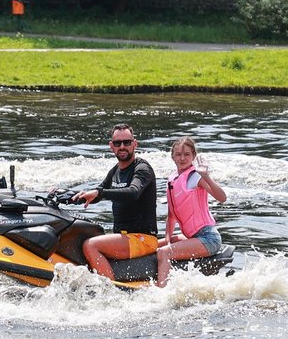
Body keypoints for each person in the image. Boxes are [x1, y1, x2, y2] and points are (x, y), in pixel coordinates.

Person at [71, 123, 158, 281]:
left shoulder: (142, 168)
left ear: (135, 144)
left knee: (90, 245)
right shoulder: (115, 171)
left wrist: (100, 193)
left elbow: (133, 192)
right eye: (117, 143)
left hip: (142, 238)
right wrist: (68, 196)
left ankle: (109, 289)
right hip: (123, 236)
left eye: (127, 142)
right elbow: (97, 194)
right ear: (111, 146)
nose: (122, 146)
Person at [155, 137, 228, 287]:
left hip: (208, 238)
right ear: (172, 156)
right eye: (178, 154)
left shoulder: (196, 177)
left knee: (163, 252)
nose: (182, 158)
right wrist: (168, 239)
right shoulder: (173, 179)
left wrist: (206, 176)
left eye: (187, 154)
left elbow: (222, 198)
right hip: (192, 236)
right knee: (155, 244)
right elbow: (171, 215)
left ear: (194, 156)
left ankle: (161, 289)